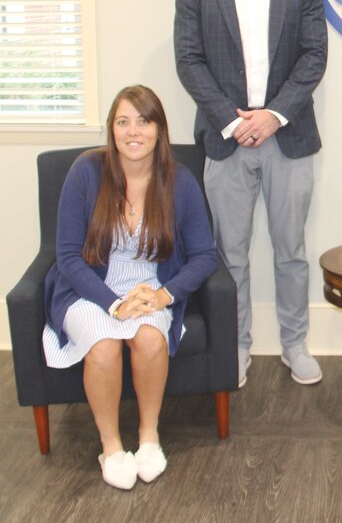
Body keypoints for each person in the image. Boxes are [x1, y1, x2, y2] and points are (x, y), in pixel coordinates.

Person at [174, 0, 328, 389]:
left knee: (292, 250)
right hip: (226, 139)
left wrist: (274, 115)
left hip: (288, 136)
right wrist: (235, 120)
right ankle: (235, 347)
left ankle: (294, 344)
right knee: (230, 255)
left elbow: (314, 57)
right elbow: (189, 61)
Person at [42, 86, 217, 490]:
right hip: (88, 288)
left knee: (151, 341)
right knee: (103, 347)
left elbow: (205, 256)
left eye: (143, 121)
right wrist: (112, 304)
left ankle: (149, 437)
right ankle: (111, 446)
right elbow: (68, 258)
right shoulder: (86, 172)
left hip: (148, 287)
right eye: (123, 122)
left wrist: (162, 296)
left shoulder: (179, 181)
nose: (133, 131)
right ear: (112, 130)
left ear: (159, 129)